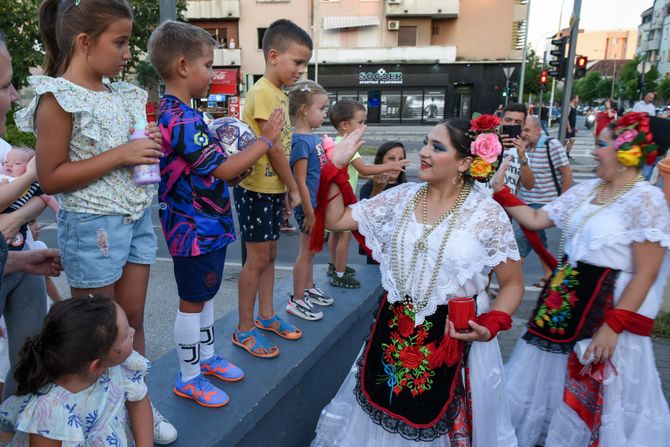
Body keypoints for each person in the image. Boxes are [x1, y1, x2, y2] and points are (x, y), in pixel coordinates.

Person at [13, 1, 176, 442]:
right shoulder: (57, 98)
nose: (128, 53)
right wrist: (121, 155)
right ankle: (97, 416)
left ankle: (137, 401)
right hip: (92, 225)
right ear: (85, 42)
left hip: (136, 217)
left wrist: (143, 143)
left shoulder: (120, 94)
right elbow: (51, 175)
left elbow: (126, 151)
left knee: (132, 321)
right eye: (120, 42)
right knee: (98, 332)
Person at [312, 118, 524, 446]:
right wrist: (336, 165)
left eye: (437, 147)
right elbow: (337, 219)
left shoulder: (486, 214)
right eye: (426, 142)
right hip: (395, 331)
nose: (423, 152)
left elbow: (512, 284)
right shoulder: (402, 197)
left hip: (458, 337)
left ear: (465, 162)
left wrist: (492, 323)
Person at [496, 112, 670, 446]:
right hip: (563, 306)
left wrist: (613, 326)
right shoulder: (589, 190)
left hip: (605, 314)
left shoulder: (647, 200)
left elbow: (646, 273)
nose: (594, 151)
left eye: (602, 144)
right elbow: (535, 218)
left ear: (626, 152)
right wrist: (502, 192)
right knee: (546, 385)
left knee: (604, 403)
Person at [148, 20, 286, 404]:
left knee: (205, 296)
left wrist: (234, 169)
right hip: (192, 230)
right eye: (208, 65)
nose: (214, 74)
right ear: (182, 66)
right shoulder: (181, 118)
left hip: (207, 225)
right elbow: (222, 168)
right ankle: (188, 375)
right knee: (192, 301)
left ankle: (206, 359)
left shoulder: (189, 116)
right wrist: (265, 141)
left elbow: (213, 173)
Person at [233, 19, 309, 358]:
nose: (301, 69)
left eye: (305, 63)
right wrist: (293, 187)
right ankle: (244, 329)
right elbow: (273, 147)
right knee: (257, 258)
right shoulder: (263, 92)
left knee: (270, 256)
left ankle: (265, 316)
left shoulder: (278, 94)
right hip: (257, 189)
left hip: (272, 188)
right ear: (274, 55)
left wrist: (285, 188)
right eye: (298, 61)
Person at [0, 29, 63, 402]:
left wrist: (19, 261)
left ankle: (15, 424)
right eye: (6, 86)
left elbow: (43, 191)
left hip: (12, 266)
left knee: (29, 361)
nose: (12, 98)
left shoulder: (6, 147)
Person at [0, 296, 153, 446]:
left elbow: (138, 403)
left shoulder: (119, 366)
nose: (133, 332)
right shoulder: (48, 411)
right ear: (97, 366)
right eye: (125, 335)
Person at [327, 99, 409, 288]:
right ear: (345, 125)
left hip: (335, 197)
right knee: (345, 235)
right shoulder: (347, 145)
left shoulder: (336, 142)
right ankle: (339, 273)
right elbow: (364, 170)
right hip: (343, 197)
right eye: (361, 122)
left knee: (336, 234)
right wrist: (391, 165)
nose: (365, 126)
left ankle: (334, 265)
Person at [287, 80, 333, 322]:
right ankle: (297, 299)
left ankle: (308, 286)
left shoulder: (313, 138)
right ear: (305, 110)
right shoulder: (300, 141)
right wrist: (309, 213)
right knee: (305, 253)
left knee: (312, 251)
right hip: (309, 208)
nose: (325, 113)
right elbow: (300, 181)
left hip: (317, 206)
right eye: (321, 108)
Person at [515, 116, 572, 288]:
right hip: (525, 201)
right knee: (538, 241)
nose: (523, 134)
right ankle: (550, 275)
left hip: (546, 203)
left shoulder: (551, 145)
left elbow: (567, 173)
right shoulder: (523, 148)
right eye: (522, 130)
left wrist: (562, 202)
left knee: (521, 237)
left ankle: (511, 283)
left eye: (527, 130)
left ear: (538, 130)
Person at [358, 141, 407, 265]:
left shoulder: (408, 188)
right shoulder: (368, 188)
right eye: (391, 158)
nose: (396, 163)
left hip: (402, 253)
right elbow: (367, 221)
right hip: (377, 254)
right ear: (380, 162)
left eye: (400, 159)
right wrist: (377, 189)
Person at [496, 103, 535, 195]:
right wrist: (498, 146)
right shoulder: (486, 143)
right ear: (501, 121)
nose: (512, 124)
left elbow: (529, 185)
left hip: (507, 206)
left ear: (523, 125)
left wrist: (522, 157)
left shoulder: (521, 150)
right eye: (508, 120)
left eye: (517, 122)